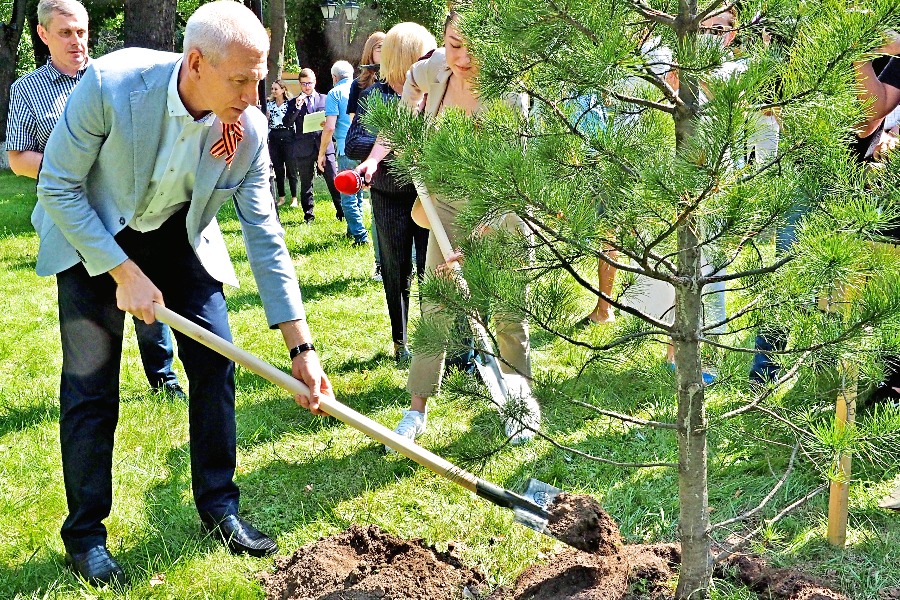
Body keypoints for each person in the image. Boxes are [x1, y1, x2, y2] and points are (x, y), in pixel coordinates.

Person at [34, 1, 332, 586]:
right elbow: (57, 184)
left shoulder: (246, 127)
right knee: (91, 386)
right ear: (196, 61)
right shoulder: (110, 85)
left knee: (217, 361)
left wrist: (302, 347)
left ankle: (219, 507)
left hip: (178, 233)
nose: (254, 92)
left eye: (261, 76)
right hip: (94, 227)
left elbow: (264, 233)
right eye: (241, 79)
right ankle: (86, 535)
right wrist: (123, 273)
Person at [359, 13, 539, 444]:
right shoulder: (436, 66)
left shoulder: (508, 92)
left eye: (471, 47)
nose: (460, 57)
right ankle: (416, 409)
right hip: (443, 206)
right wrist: (409, 120)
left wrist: (474, 245)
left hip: (498, 205)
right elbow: (412, 85)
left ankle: (520, 402)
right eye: (453, 44)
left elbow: (507, 177)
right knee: (436, 308)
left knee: (507, 312)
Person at [5, 0, 185, 401]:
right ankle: (94, 391)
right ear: (43, 34)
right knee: (87, 304)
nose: (77, 41)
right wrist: (72, 170)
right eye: (66, 33)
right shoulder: (27, 90)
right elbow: (17, 158)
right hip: (72, 212)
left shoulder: (115, 79)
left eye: (82, 32)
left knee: (144, 288)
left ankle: (164, 377)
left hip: (127, 208)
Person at [355, 23, 434, 364]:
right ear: (408, 57)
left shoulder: (436, 92)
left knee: (433, 270)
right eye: (426, 53)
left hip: (431, 196)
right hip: (389, 197)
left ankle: (435, 343)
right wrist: (393, 153)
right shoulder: (376, 96)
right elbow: (354, 142)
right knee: (395, 269)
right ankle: (401, 342)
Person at [318, 60, 369, 245]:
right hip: (364, 147)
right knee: (359, 192)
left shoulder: (334, 93)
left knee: (347, 194)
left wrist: (322, 153)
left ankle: (360, 236)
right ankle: (352, 230)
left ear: (334, 77)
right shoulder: (361, 88)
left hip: (345, 148)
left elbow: (330, 127)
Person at [348, 31, 386, 279]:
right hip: (371, 154)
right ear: (370, 51)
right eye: (380, 48)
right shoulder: (359, 86)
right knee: (377, 209)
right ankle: (381, 263)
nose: (384, 52)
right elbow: (355, 125)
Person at [285, 67, 343, 222]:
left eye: (309, 83)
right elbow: (287, 123)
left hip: (324, 145)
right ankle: (308, 215)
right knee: (306, 183)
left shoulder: (325, 99)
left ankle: (341, 212)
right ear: (300, 84)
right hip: (304, 148)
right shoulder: (293, 102)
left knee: (333, 179)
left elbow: (335, 120)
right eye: (303, 84)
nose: (307, 87)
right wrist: (296, 108)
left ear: (315, 82)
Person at [266, 79, 298, 208]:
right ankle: (281, 196)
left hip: (288, 136)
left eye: (276, 89)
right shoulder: (269, 105)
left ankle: (294, 197)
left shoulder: (289, 104)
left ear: (283, 90)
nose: (273, 91)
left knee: (291, 168)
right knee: (278, 168)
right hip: (274, 136)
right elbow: (266, 121)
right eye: (272, 89)